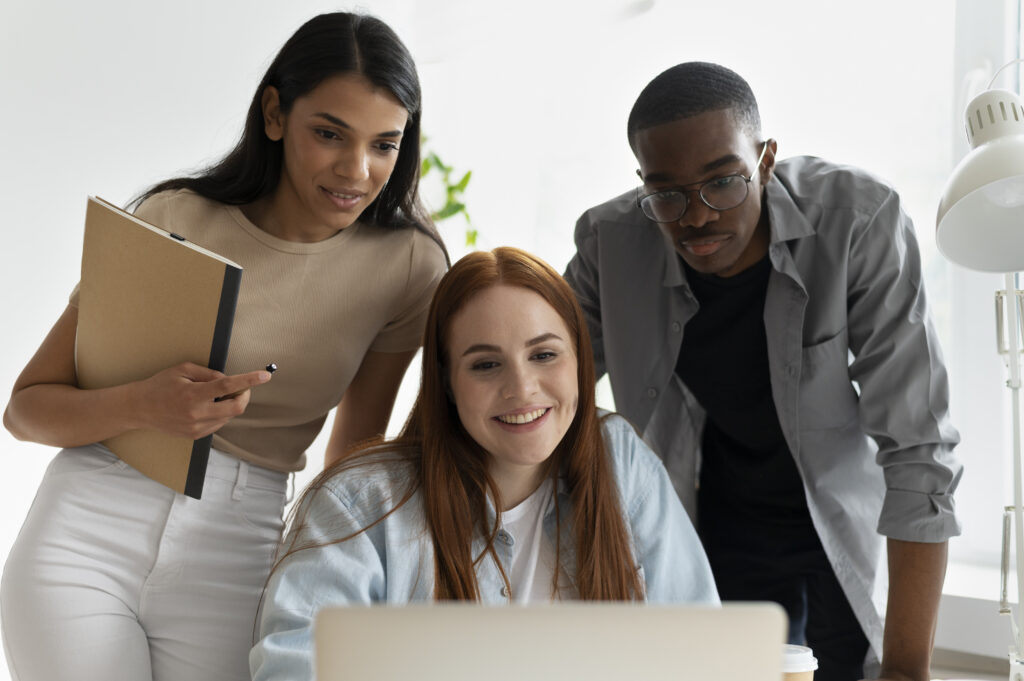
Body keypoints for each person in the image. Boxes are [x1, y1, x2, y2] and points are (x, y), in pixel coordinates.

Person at [1, 13, 447, 681]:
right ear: (274, 113)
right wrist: (147, 405)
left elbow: (352, 452)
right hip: (91, 522)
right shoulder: (176, 217)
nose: (357, 170)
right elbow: (26, 409)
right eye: (330, 133)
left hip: (242, 542)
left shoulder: (409, 266)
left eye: (384, 144)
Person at [563, 62, 962, 681]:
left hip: (837, 516)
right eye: (665, 193)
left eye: (722, 182)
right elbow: (542, 394)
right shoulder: (608, 243)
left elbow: (919, 446)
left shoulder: (858, 220)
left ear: (766, 158)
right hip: (710, 521)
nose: (696, 217)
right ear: (642, 179)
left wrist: (907, 672)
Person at [249, 247, 718, 680]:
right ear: (448, 382)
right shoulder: (359, 503)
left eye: (544, 355)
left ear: (579, 360)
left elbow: (698, 647)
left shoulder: (621, 459)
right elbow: (295, 667)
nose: (522, 388)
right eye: (485, 365)